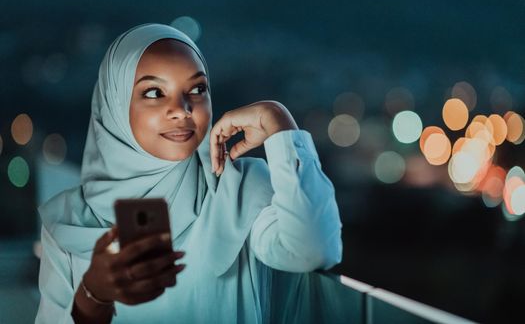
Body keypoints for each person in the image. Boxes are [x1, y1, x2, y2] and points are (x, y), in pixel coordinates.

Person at [35, 23, 343, 324]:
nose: (182, 109)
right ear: (116, 105)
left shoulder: (238, 187)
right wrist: (94, 297)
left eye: (197, 89)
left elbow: (314, 250)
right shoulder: (69, 220)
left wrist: (278, 119)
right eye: (154, 92)